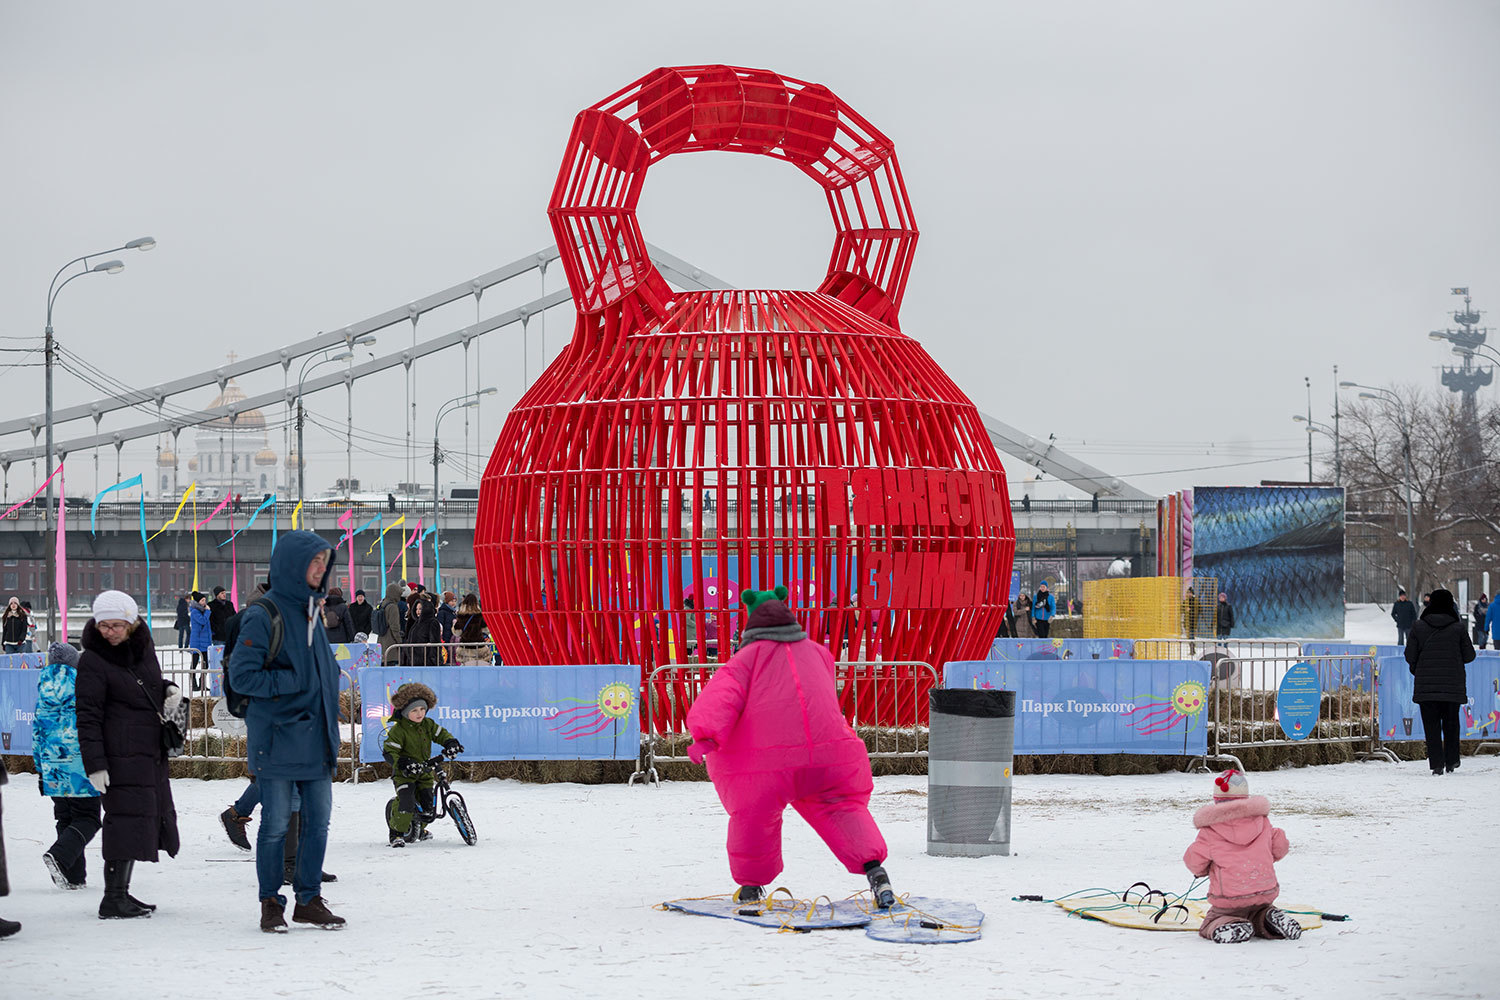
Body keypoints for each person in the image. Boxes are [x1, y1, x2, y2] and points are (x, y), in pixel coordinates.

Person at [685, 586, 896, 908]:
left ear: (751, 626)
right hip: (830, 757)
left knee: (754, 816)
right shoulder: (819, 653)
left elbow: (720, 698)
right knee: (842, 809)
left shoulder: (745, 660)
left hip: (766, 762)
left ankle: (751, 887)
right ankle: (876, 872)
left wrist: (705, 735)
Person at [227, 530, 345, 933]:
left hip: (316, 739)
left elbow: (320, 675)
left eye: (323, 562)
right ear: (293, 565)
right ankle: (271, 903)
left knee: (318, 825)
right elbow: (242, 676)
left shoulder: (314, 611)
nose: (319, 569)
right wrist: (291, 683)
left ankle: (308, 899)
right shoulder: (264, 614)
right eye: (313, 562)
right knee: (277, 825)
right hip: (278, 740)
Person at [75, 590, 181, 919]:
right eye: (103, 625)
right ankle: (113, 897)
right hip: (119, 755)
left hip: (147, 753)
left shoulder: (142, 648)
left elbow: (143, 686)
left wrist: (167, 689)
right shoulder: (93, 660)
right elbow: (87, 716)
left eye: (117, 625)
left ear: (132, 623)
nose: (110, 632)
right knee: (122, 823)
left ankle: (121, 891)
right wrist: (96, 765)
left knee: (138, 821)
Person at [1182, 769, 1301, 944]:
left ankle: (1229, 925)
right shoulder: (1263, 822)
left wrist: (1202, 870)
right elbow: (1280, 844)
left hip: (1229, 898)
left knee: (1211, 922)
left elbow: (1194, 859)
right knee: (1258, 913)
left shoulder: (1210, 830)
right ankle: (1268, 918)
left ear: (1217, 799)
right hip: (1264, 891)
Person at [34, 641, 104, 891]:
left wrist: (40, 770)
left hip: (53, 766)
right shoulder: (84, 687)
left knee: (66, 817)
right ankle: (61, 856)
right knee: (88, 818)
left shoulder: (43, 690)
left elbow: (37, 733)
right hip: (80, 764)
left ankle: (74, 876)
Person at [381, 683, 463, 846]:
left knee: (428, 805)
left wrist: (450, 743)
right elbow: (390, 751)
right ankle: (396, 833)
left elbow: (441, 734)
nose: (419, 714)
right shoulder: (399, 730)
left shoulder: (427, 724)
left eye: (422, 709)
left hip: (424, 771)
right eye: (414, 710)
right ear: (405, 712)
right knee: (406, 801)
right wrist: (403, 763)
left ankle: (420, 828)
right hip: (405, 774)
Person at [1405, 588, 1474, 776]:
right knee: (1451, 723)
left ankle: (1436, 764)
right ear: (1450, 604)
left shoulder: (1418, 626)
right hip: (1452, 686)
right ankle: (1452, 760)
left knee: (1431, 725)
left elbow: (1409, 655)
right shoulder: (1458, 628)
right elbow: (1470, 656)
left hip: (1426, 687)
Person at [403, 593, 442, 666]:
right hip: (414, 662)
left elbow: (435, 644)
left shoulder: (432, 622)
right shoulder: (416, 623)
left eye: (420, 609)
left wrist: (432, 661)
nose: (418, 611)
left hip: (426, 663)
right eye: (416, 609)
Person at [453, 594, 490, 665]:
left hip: (465, 647)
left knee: (466, 671)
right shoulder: (479, 616)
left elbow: (456, 632)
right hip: (479, 647)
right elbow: (486, 630)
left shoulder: (461, 616)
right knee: (479, 671)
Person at [376, 583, 406, 664]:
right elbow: (395, 627)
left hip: (381, 642)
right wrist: (399, 641)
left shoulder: (383, 604)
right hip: (391, 645)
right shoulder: (393, 607)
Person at [187, 592, 212, 690]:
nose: (204, 602)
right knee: (194, 663)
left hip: (205, 641)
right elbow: (202, 621)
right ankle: (193, 684)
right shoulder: (195, 612)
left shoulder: (202, 611)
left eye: (205, 600)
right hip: (197, 641)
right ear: (197, 602)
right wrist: (208, 612)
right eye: (202, 600)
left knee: (205, 664)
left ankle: (202, 683)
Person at [436, 590, 457, 659]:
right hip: (445, 639)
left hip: (453, 639)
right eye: (451, 601)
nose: (453, 603)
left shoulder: (454, 612)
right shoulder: (442, 612)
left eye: (455, 601)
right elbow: (440, 626)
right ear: (447, 601)